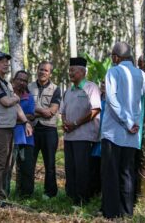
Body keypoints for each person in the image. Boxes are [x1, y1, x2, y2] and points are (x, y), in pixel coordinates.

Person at [101, 42, 145, 219]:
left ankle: (111, 212)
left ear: (116, 57)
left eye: (112, 56)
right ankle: (127, 212)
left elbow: (112, 100)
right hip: (132, 135)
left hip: (114, 132)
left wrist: (127, 121)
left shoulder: (113, 71)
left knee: (111, 172)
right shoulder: (141, 74)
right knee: (127, 173)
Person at [0, 51, 32, 201]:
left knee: (7, 164)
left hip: (8, 128)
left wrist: (25, 122)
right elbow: (6, 102)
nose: (6, 63)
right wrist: (15, 98)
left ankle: (1, 195)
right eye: (1, 61)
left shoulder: (5, 83)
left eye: (6, 61)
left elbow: (15, 105)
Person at [61, 57, 101, 204]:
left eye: (73, 70)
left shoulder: (91, 87)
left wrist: (76, 123)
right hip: (69, 136)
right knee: (70, 168)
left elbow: (95, 110)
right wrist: (65, 122)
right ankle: (71, 196)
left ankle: (83, 199)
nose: (70, 73)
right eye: (70, 70)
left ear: (83, 72)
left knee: (82, 168)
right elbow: (63, 110)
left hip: (85, 137)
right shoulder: (68, 90)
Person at [28, 61, 61, 198]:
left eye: (46, 70)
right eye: (41, 69)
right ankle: (27, 191)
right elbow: (25, 109)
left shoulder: (56, 88)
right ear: (37, 69)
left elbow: (52, 111)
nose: (43, 72)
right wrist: (41, 111)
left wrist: (34, 111)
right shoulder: (29, 87)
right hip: (32, 129)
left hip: (49, 130)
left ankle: (50, 193)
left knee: (50, 164)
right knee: (29, 163)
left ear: (50, 73)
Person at [11, 70, 35, 197]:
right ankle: (5, 192)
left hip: (27, 137)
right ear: (14, 80)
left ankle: (26, 194)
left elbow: (31, 115)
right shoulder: (8, 95)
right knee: (8, 167)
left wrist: (15, 118)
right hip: (10, 136)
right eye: (19, 79)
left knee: (27, 167)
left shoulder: (29, 97)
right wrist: (22, 119)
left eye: (25, 81)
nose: (22, 82)